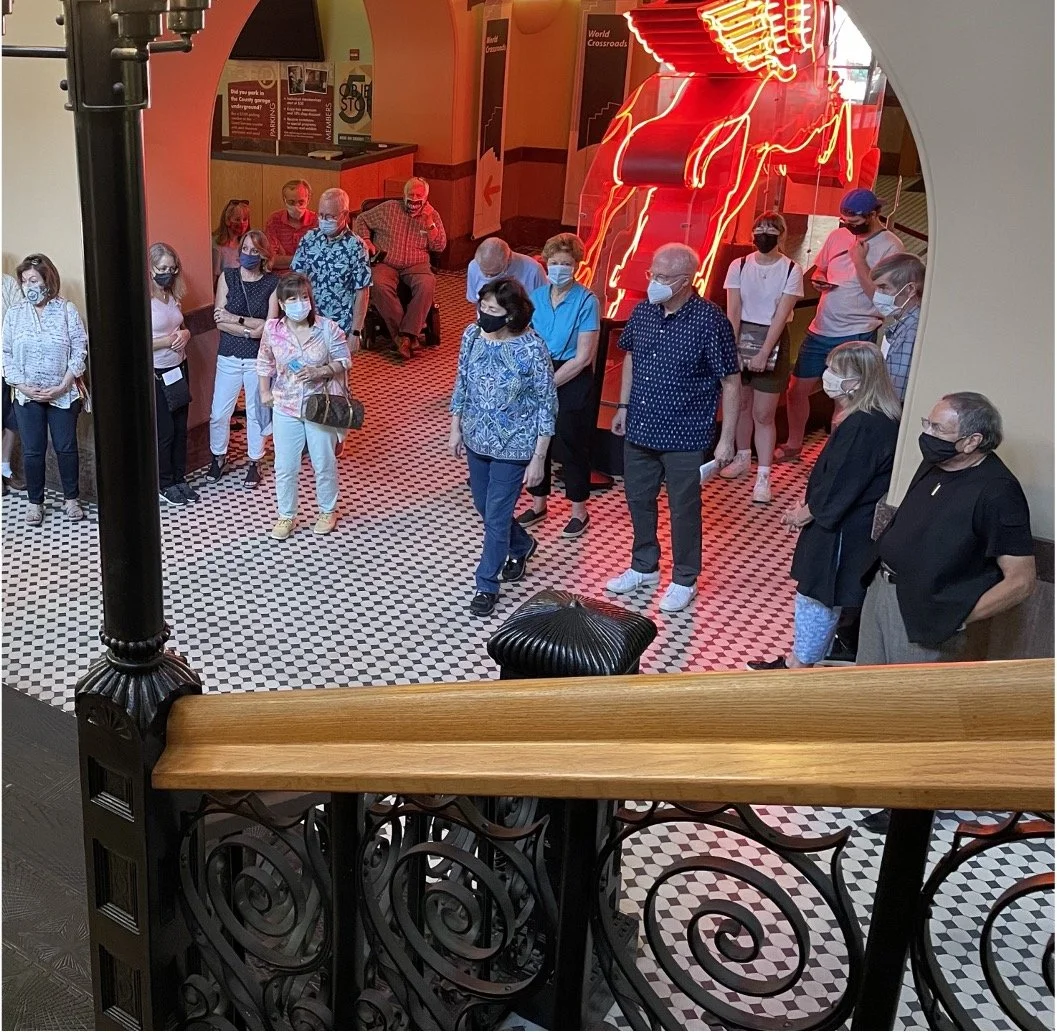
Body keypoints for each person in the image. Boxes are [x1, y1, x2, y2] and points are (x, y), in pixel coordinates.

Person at [857, 392, 1036, 835]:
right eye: (928, 423)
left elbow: (1020, 581)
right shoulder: (936, 464)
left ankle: (909, 803)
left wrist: (957, 618)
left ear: (972, 440)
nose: (927, 434)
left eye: (938, 429)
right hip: (884, 591)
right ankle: (875, 779)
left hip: (928, 616)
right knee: (872, 695)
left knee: (916, 714)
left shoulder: (998, 491)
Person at [746, 342, 901, 670]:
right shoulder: (874, 418)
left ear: (857, 381)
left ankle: (799, 666)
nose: (827, 376)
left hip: (841, 530)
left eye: (836, 371)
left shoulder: (863, 425)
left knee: (818, 596)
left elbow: (842, 483)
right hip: (849, 524)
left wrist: (805, 513)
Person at [607, 243, 740, 613]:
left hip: (686, 434)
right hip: (640, 427)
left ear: (686, 281)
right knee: (638, 500)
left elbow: (731, 382)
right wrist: (622, 406)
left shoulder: (710, 320)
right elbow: (630, 357)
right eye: (652, 274)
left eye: (663, 277)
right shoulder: (643, 312)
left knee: (684, 510)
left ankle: (684, 579)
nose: (654, 282)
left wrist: (726, 440)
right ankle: (643, 566)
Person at [449, 278, 557, 618]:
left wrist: (539, 458)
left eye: (492, 310)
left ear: (511, 314)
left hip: (515, 445)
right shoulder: (472, 335)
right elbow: (462, 382)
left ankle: (486, 585)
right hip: (476, 438)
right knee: (484, 507)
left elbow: (547, 404)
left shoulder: (532, 348)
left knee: (495, 517)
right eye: (482, 307)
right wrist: (455, 427)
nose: (484, 315)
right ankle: (522, 544)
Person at [775, 188, 903, 462]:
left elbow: (880, 299)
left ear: (873, 214)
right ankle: (794, 443)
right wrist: (820, 279)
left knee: (845, 397)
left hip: (857, 329)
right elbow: (821, 267)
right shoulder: (838, 235)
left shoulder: (891, 246)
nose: (849, 227)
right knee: (796, 389)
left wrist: (859, 261)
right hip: (822, 326)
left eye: (855, 222)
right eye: (845, 221)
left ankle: (834, 453)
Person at [257, 274, 351, 540]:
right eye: (292, 299)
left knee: (323, 462)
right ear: (282, 304)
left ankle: (327, 511)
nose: (299, 303)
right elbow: (264, 361)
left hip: (319, 404)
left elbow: (344, 360)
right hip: (285, 405)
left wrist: (320, 371)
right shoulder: (273, 330)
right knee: (285, 466)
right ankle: (286, 515)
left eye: (303, 297)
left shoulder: (327, 329)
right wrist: (264, 391)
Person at [518, 233, 599, 538]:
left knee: (571, 440)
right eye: (554, 263)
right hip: (540, 369)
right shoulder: (536, 297)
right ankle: (538, 503)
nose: (559, 268)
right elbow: (525, 338)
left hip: (573, 374)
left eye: (566, 263)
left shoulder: (587, 301)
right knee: (537, 440)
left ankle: (579, 511)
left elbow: (584, 356)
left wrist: (549, 384)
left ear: (576, 266)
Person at [721, 211, 805, 503]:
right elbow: (733, 310)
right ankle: (742, 456)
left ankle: (764, 475)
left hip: (772, 338)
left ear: (782, 235)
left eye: (771, 230)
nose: (764, 235)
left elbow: (781, 316)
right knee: (741, 404)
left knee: (763, 413)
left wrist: (763, 352)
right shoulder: (739, 265)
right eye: (760, 229)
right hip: (741, 335)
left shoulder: (792, 269)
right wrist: (731, 348)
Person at [1, 254, 87, 524]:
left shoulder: (66, 310)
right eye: (24, 281)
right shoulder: (14, 314)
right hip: (27, 396)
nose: (28, 286)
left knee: (66, 447)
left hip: (62, 394)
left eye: (33, 280)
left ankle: (71, 500)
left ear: (47, 281)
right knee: (32, 450)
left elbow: (79, 349)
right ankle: (35, 503)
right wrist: (22, 385)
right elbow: (5, 354)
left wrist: (64, 384)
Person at [207, 230, 280, 488]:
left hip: (257, 359)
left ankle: (255, 461)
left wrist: (235, 320)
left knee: (255, 412)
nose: (249, 254)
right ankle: (218, 456)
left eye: (254, 251)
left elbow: (269, 327)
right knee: (219, 413)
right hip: (228, 355)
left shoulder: (272, 283)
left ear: (264, 255)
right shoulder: (227, 277)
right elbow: (219, 320)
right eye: (245, 249)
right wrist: (251, 329)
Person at [353, 177, 447, 359]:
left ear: (425, 198)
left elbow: (439, 246)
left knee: (427, 283)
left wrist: (429, 223)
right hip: (387, 261)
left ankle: (406, 335)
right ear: (403, 195)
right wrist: (366, 240)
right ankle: (405, 337)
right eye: (410, 194)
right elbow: (361, 220)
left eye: (418, 195)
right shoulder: (389, 208)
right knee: (378, 283)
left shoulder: (432, 215)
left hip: (417, 263)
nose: (414, 199)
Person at [291, 187, 371, 345]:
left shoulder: (356, 246)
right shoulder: (309, 239)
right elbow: (295, 280)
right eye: (320, 215)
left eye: (330, 216)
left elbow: (362, 292)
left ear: (345, 215)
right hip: (308, 323)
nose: (323, 220)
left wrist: (356, 332)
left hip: (340, 327)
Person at [149, 243, 195, 506]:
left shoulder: (172, 295)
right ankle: (163, 482)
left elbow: (182, 325)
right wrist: (167, 342)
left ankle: (179, 478)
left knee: (180, 428)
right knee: (164, 431)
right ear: (150, 268)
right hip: (157, 372)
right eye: (162, 268)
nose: (167, 273)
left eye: (172, 268)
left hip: (179, 367)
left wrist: (185, 334)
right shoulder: (146, 300)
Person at [867, 252, 925, 402]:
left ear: (910, 289)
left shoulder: (912, 330)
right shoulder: (903, 322)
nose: (877, 294)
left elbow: (896, 392)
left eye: (884, 287)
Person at [466, 237, 546, 304]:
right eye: (483, 272)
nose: (488, 277)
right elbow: (475, 300)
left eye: (494, 274)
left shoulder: (534, 270)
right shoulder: (474, 266)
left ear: (508, 260)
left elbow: (545, 304)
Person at [264, 179, 319, 271]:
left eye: (301, 202)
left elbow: (319, 260)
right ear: (284, 200)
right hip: (280, 278)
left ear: (308, 199)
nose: (296, 206)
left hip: (308, 277)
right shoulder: (274, 220)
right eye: (291, 202)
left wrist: (283, 259)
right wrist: (304, 258)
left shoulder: (317, 222)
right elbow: (270, 260)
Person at [2, 272, 24, 494]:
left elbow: (19, 314)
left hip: (10, 361)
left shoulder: (7, 283)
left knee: (12, 416)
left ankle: (5, 467)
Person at [212, 199, 251, 280]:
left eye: (245, 219)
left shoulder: (248, 244)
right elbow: (213, 279)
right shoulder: (217, 247)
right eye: (237, 219)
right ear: (227, 220)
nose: (242, 223)